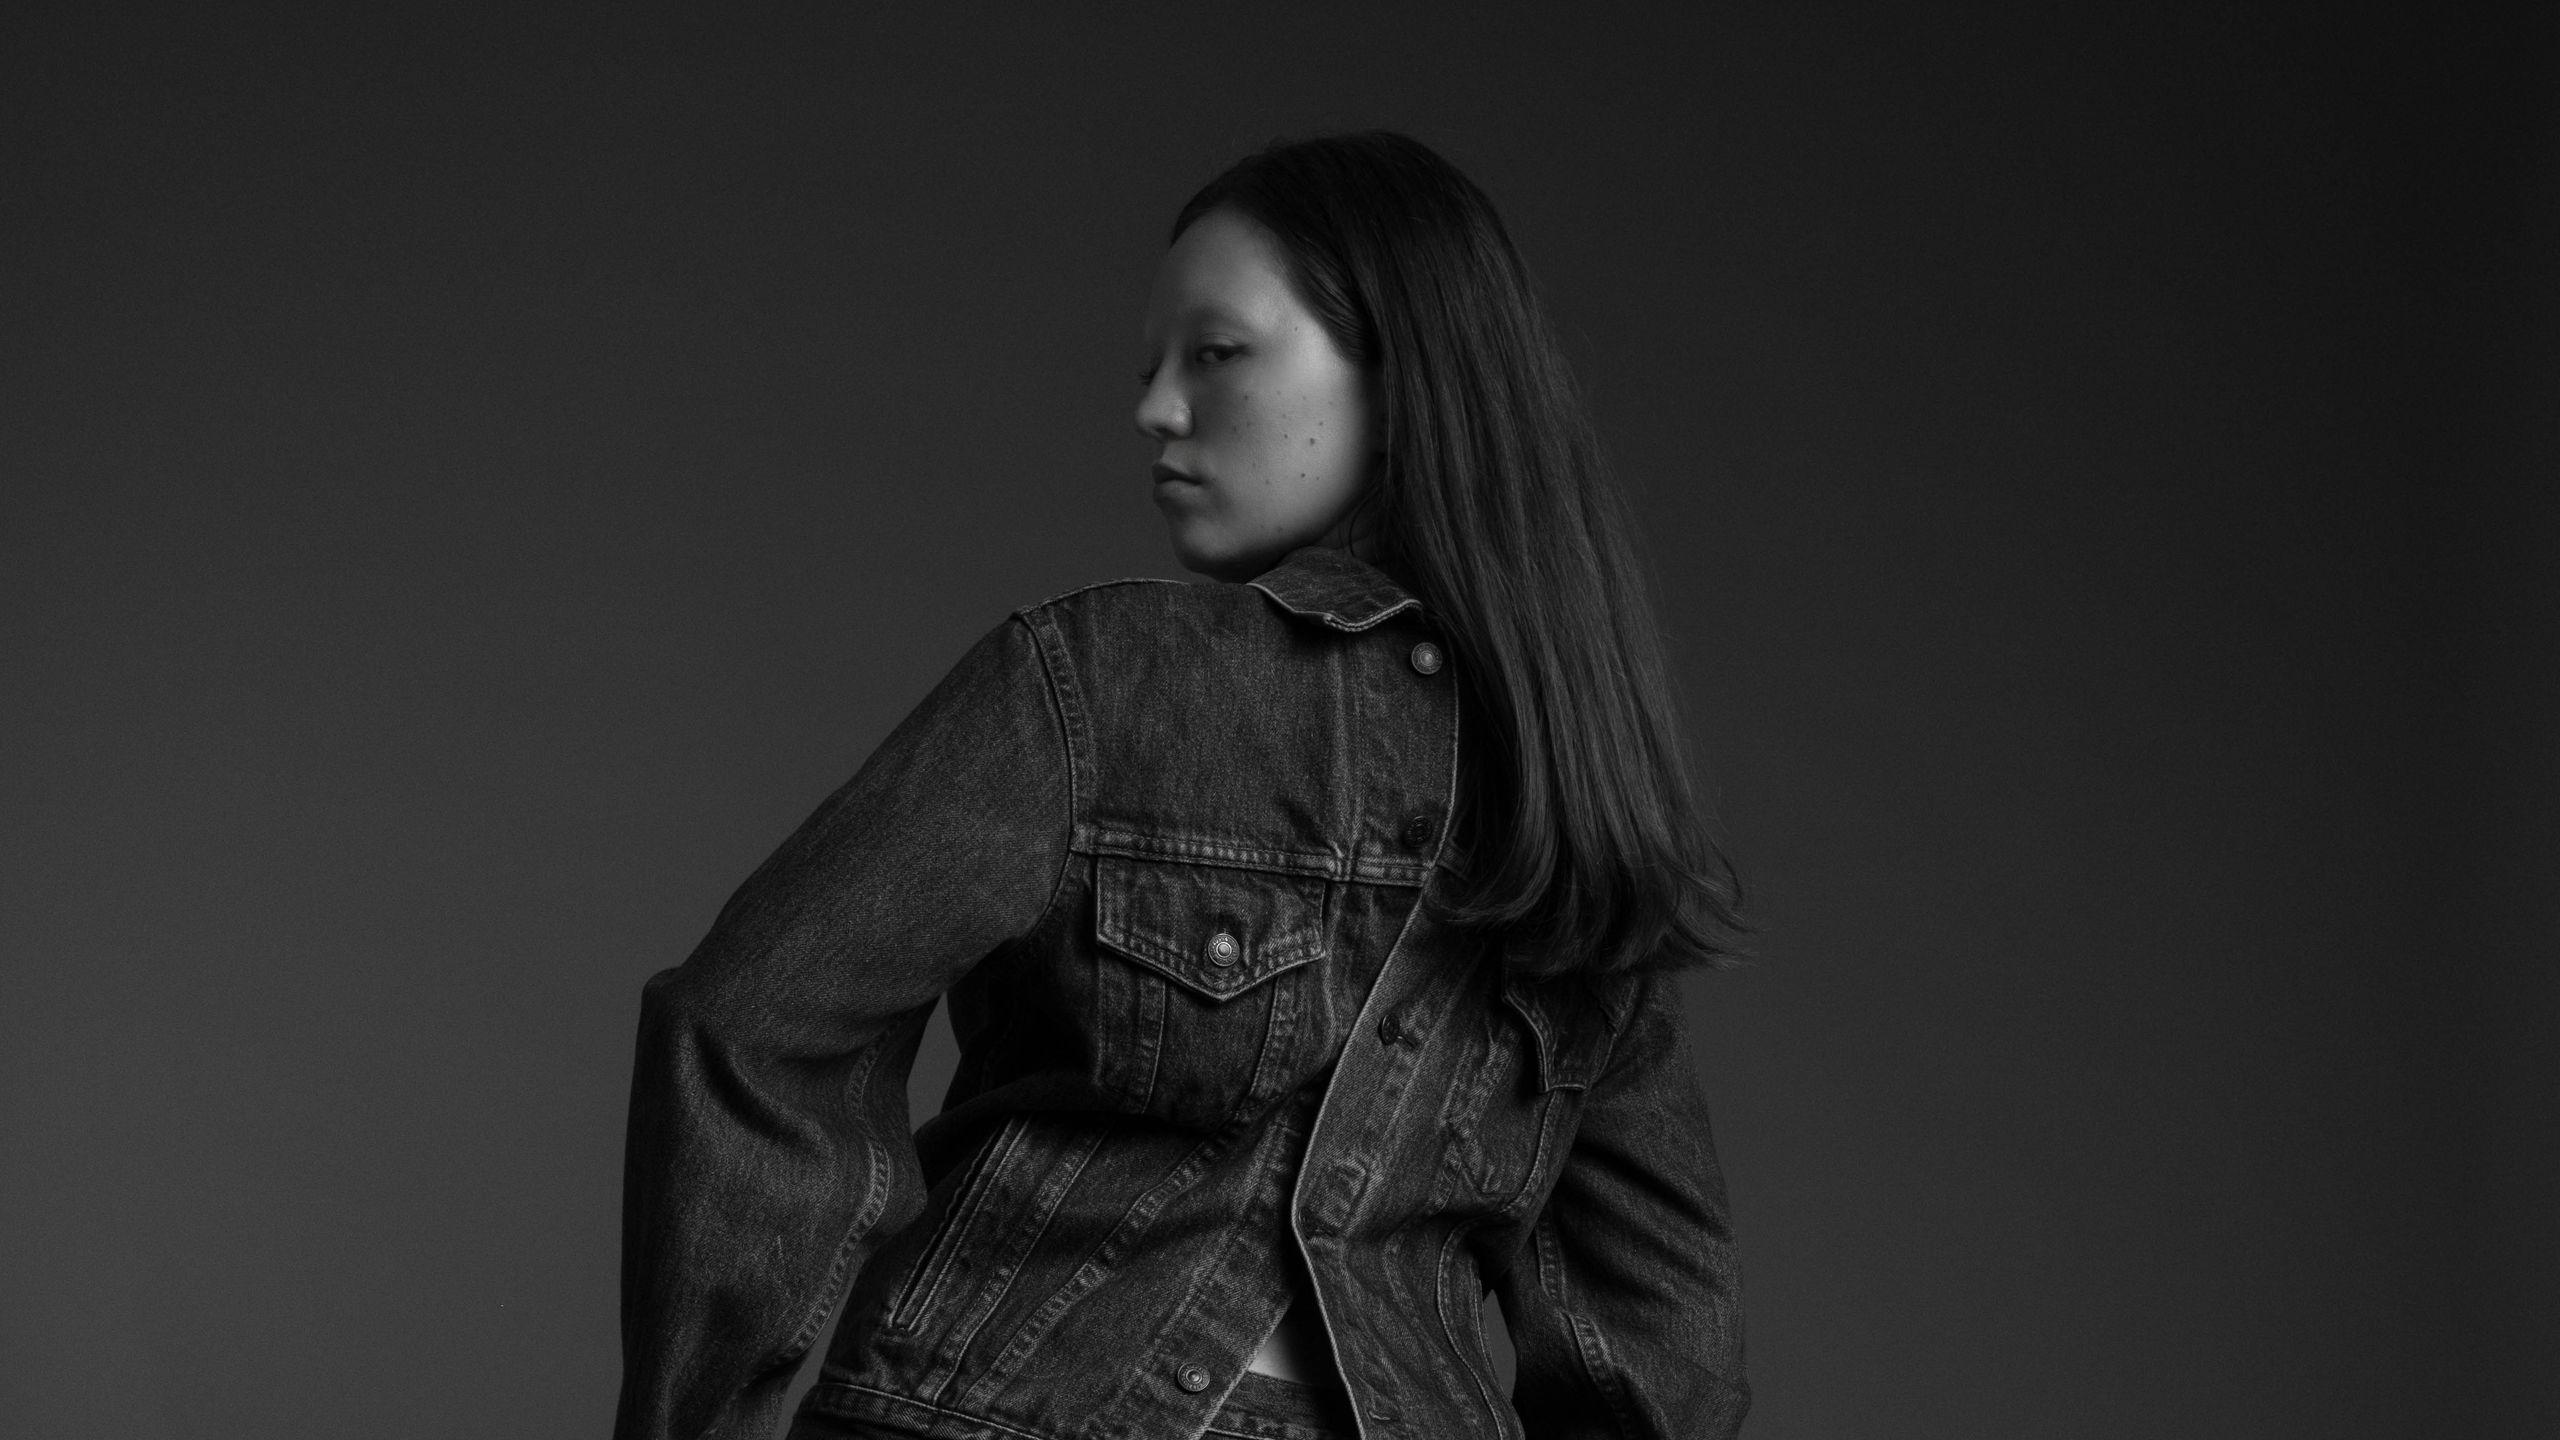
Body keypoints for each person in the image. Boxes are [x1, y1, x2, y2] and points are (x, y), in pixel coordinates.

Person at [614, 131, 1749, 1440]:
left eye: (1216, 353)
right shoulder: (1579, 787)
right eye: (1151, 366)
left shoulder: (1106, 677)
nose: (1154, 407)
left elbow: (753, 1017)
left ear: (1406, 377)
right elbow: (1664, 1316)